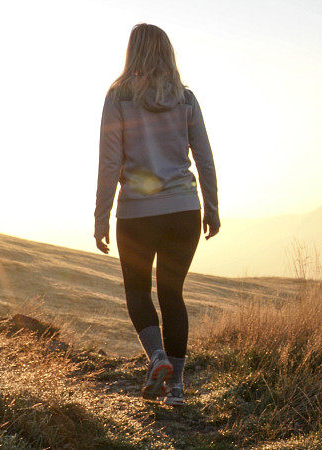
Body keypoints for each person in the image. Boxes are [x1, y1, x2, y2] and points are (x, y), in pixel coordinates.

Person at [93, 23, 220, 407]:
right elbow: (205, 159)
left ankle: (158, 359)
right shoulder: (186, 99)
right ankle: (176, 389)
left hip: (137, 214)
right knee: (172, 295)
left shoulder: (119, 98)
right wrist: (212, 208)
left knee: (137, 291)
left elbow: (109, 162)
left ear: (133, 52)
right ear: (168, 53)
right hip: (184, 210)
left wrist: (101, 216)